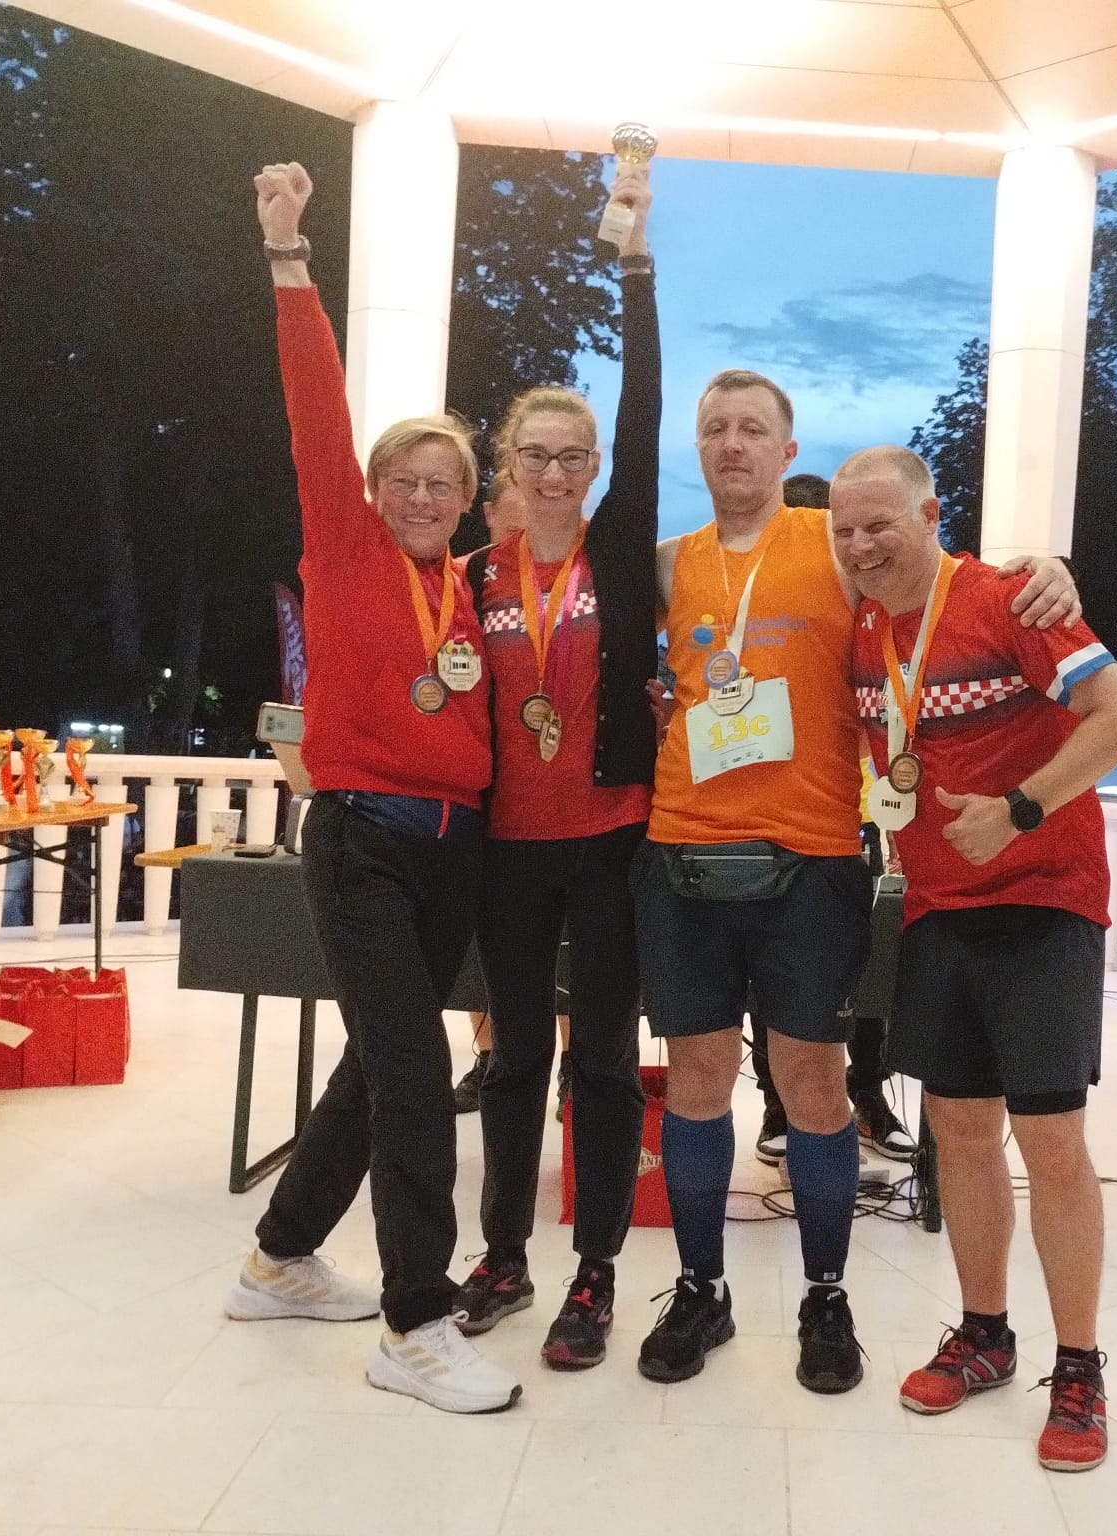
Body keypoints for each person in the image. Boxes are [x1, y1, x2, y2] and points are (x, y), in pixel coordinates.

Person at [632, 369, 1079, 1393]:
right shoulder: (667, 565)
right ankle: (701, 1289)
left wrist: (1046, 570)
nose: (732, 443)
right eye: (715, 428)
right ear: (698, 449)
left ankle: (825, 1297)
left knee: (814, 1083)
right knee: (696, 1079)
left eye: (753, 428)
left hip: (812, 859)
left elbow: (945, 575)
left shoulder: (835, 551)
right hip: (682, 851)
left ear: (787, 451)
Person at [223, 161, 518, 1416]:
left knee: (376, 1065)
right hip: (363, 841)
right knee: (412, 1078)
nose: (421, 495)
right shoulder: (345, 549)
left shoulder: (477, 588)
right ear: (374, 489)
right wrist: (289, 257)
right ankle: (414, 1324)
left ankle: (278, 1258)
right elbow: (312, 404)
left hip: (457, 852)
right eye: (404, 476)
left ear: (469, 501)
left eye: (443, 482)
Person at [829, 446, 1117, 1472]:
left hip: (1046, 899)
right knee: (959, 1131)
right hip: (939, 908)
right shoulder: (862, 631)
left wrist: (1020, 809)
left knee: (1050, 1140)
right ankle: (983, 1335)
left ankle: (1081, 1366)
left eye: (880, 524)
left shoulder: (1012, 599)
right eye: (845, 530)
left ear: (932, 516)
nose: (861, 545)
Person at [452, 161, 660, 1370]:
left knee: (603, 1057)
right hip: (510, 847)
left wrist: (635, 262)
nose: (554, 471)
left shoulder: (617, 554)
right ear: (507, 461)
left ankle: (596, 1271)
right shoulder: (473, 575)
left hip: (613, 834)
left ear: (593, 466)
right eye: (536, 453)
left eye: (574, 455)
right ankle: (504, 1254)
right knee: (514, 1054)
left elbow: (647, 405)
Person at [749, 470, 915, 1170]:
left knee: (873, 970)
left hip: (869, 816)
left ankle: (868, 1094)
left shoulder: (872, 604)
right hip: (778, 815)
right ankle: (777, 1104)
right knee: (773, 977)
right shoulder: (762, 611)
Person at [454, 472, 526, 1117]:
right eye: (518, 508)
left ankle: (566, 1068)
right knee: (480, 945)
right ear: (489, 511)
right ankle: (486, 1056)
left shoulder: (582, 574)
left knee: (562, 955)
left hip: (555, 790)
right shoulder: (462, 577)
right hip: (480, 787)